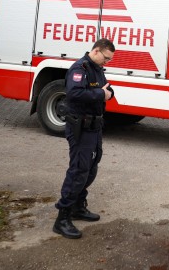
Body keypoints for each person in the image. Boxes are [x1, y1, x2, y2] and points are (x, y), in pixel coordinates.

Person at [53, 38, 115, 239]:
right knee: (79, 170)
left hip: (94, 126)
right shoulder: (79, 68)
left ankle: (78, 206)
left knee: (91, 166)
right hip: (80, 127)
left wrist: (107, 93)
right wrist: (100, 94)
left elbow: (106, 89)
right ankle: (62, 218)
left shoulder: (97, 67)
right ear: (96, 50)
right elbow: (74, 94)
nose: (107, 62)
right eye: (106, 57)